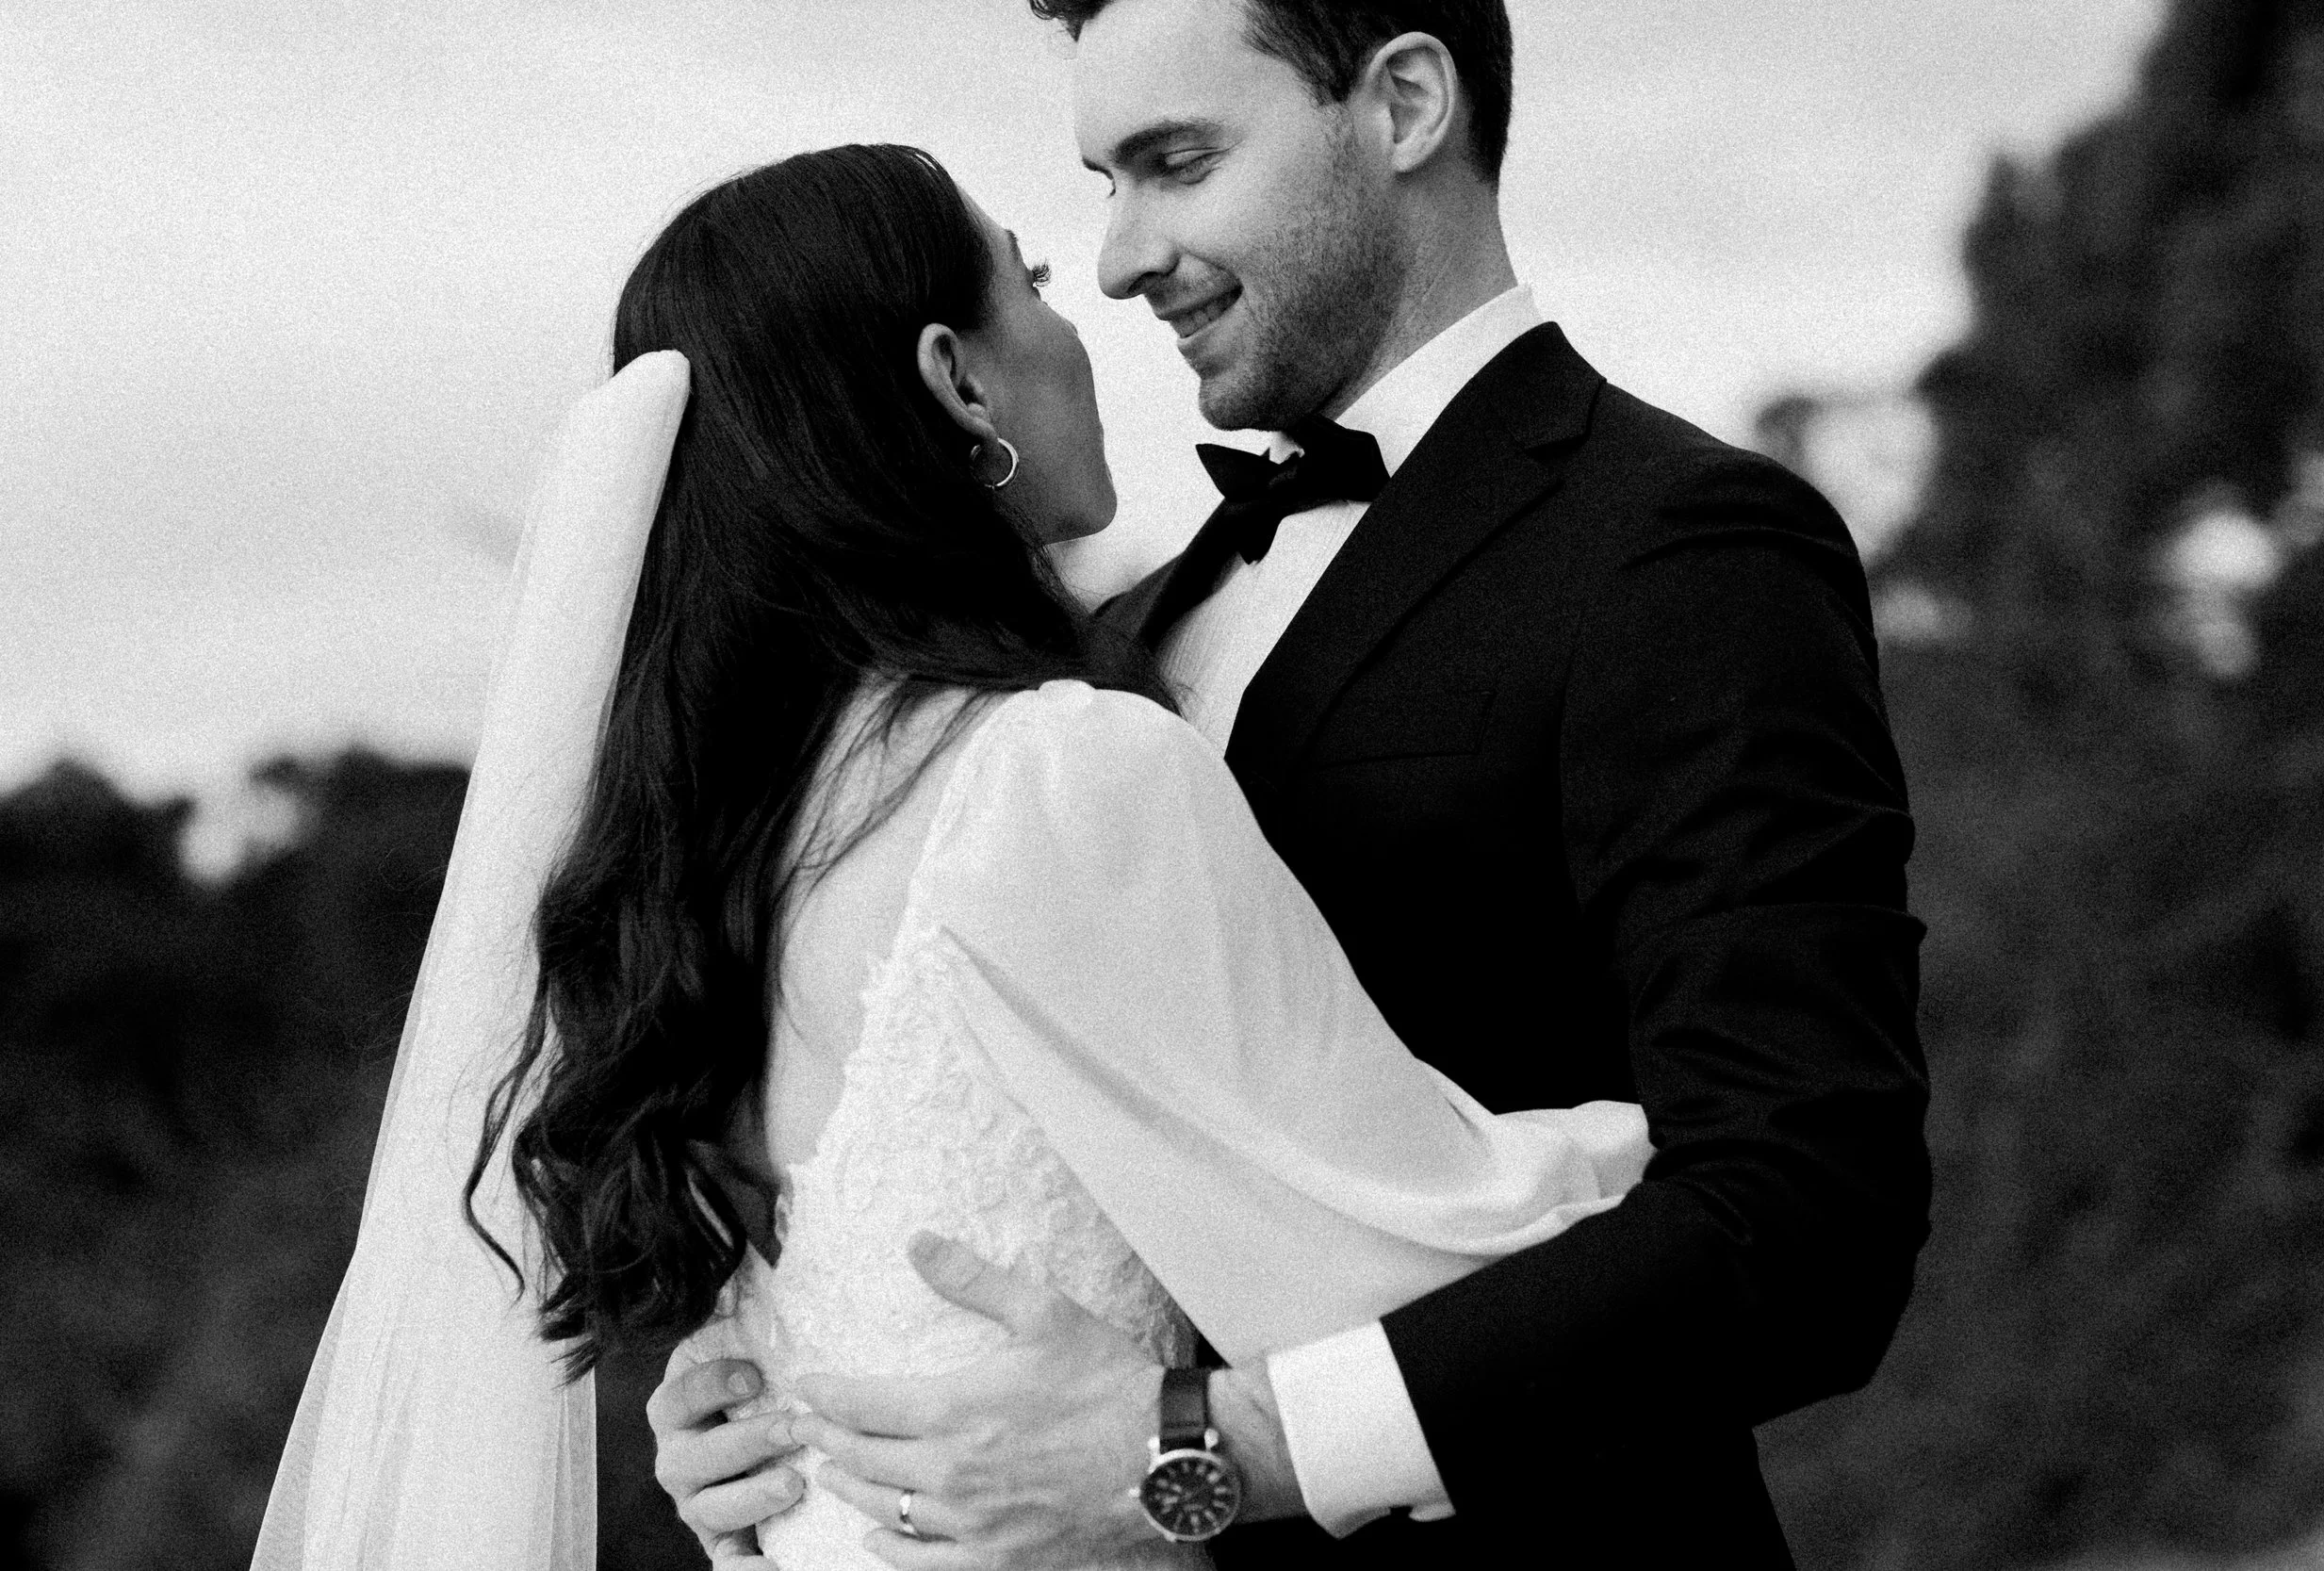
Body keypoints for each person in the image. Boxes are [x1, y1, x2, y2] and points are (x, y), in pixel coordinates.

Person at [251, 140, 1661, 1571]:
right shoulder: (1046, 774)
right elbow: (1420, 1250)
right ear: (956, 378)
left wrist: (738, 1464)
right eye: (1032, 281)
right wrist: (1705, 1168)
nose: (1085, 304)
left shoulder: (705, 853)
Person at [652, 2, 1931, 1567]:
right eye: (1101, 186)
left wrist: (1217, 1449)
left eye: (1174, 164)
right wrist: (783, 1422)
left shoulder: (1682, 554)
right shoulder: (1108, 651)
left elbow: (1809, 1220)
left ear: (1400, 105)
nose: (1120, 258)